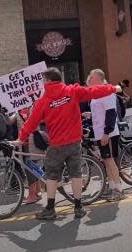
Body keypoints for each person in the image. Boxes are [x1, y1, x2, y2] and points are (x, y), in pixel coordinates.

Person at [17, 67, 122, 220]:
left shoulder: (44, 100)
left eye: (43, 80)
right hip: (74, 142)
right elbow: (93, 91)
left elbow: (31, 122)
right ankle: (78, 207)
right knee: (76, 174)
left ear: (47, 80)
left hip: (57, 144)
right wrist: (113, 88)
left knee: (52, 176)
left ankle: (50, 209)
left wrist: (21, 137)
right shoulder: (72, 91)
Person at [86, 69, 126, 201]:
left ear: (99, 78)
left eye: (91, 77)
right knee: (106, 161)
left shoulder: (107, 91)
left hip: (108, 133)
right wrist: (90, 115)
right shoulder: (96, 93)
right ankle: (112, 186)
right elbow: (100, 111)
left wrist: (106, 133)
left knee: (110, 161)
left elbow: (110, 113)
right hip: (100, 133)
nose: (89, 79)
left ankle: (119, 190)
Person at [8, 107, 44, 205]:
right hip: (23, 144)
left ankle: (32, 195)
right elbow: (10, 121)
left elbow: (41, 119)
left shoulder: (34, 108)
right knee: (32, 168)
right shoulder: (18, 111)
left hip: (34, 142)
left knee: (30, 170)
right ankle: (37, 192)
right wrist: (4, 113)